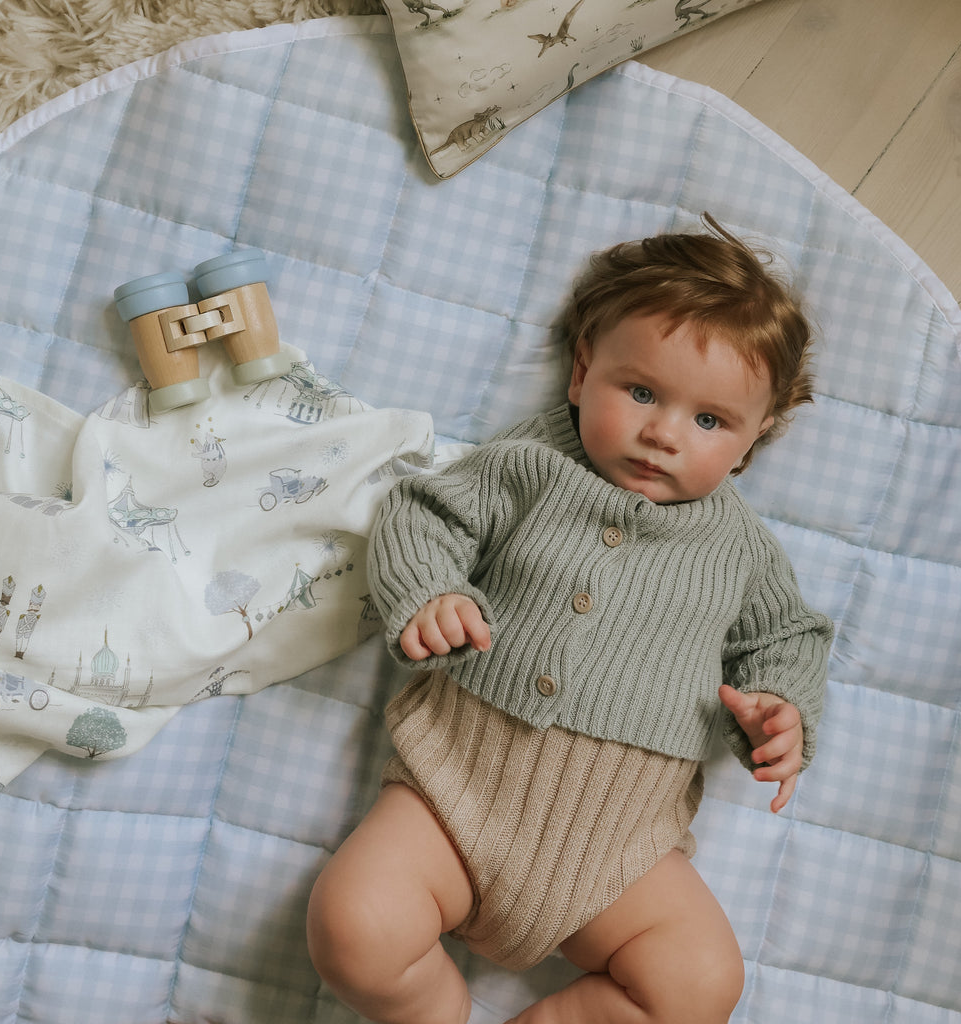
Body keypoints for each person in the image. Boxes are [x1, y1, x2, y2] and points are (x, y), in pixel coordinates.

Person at [307, 214, 834, 1024]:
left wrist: (780, 712)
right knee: (354, 927)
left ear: (753, 437)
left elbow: (785, 639)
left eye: (709, 421)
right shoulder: (529, 467)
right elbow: (422, 514)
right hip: (453, 796)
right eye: (642, 392)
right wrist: (429, 592)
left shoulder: (741, 550)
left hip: (619, 850)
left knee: (700, 988)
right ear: (582, 370)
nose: (663, 432)